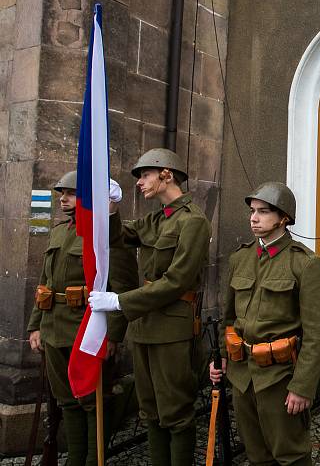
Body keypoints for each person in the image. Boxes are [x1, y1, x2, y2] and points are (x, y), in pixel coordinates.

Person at [89, 148, 211, 466]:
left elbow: (177, 281)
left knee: (176, 412)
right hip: (144, 326)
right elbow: (116, 238)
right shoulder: (155, 219)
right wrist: (111, 209)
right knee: (151, 411)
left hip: (172, 328)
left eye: (144, 175)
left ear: (166, 175)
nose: (140, 183)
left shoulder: (193, 222)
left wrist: (120, 301)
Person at [210, 182, 320, 466]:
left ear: (283, 218)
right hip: (242, 376)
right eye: (252, 211)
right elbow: (228, 318)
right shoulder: (241, 258)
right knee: (256, 454)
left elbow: (317, 333)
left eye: (263, 212)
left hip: (279, 378)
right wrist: (222, 357)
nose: (253, 218)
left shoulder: (304, 263)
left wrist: (302, 386)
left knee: (291, 455)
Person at [27, 171, 138, 466]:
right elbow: (44, 283)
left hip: (87, 330)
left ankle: (93, 460)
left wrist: (114, 334)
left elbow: (123, 286)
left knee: (91, 401)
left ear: (88, 198)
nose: (63, 199)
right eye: (61, 194)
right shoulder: (59, 232)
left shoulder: (105, 235)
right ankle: (75, 459)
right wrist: (35, 325)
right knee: (66, 400)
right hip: (53, 327)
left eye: (71, 194)